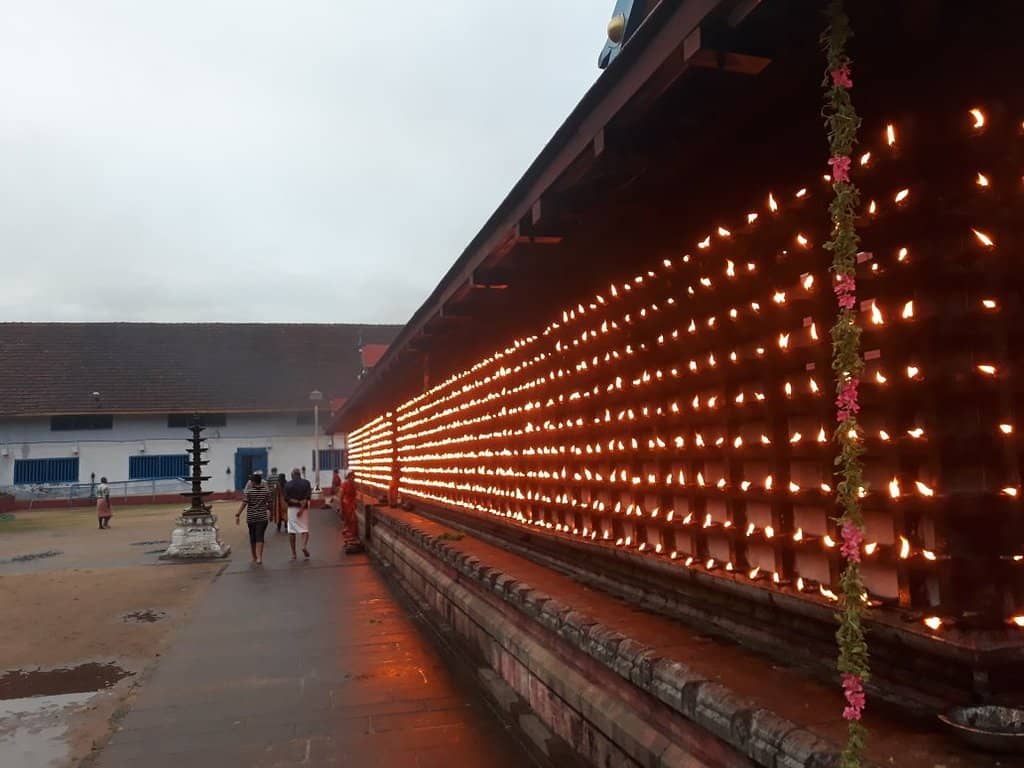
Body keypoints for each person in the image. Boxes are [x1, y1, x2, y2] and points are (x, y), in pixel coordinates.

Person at [235, 471, 271, 565]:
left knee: (253, 538)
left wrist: (238, 514)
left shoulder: (249, 492)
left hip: (251, 518)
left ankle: (254, 557)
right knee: (260, 537)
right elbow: (269, 502)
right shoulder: (265, 491)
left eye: (251, 481)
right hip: (262, 517)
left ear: (254, 482)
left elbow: (244, 503)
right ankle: (259, 557)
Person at [284, 467, 312, 560]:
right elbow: (307, 498)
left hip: (292, 510)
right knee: (304, 529)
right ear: (300, 474)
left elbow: (286, 498)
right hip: (303, 510)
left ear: (292, 475)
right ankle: (303, 546)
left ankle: (293, 554)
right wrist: (301, 508)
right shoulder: (306, 483)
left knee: (292, 531)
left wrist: (296, 502)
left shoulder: (288, 484)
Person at [340, 470, 358, 540]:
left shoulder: (353, 485)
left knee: (353, 519)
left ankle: (351, 532)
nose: (352, 479)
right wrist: (341, 507)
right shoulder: (344, 484)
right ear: (349, 477)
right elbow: (341, 496)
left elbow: (354, 495)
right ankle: (349, 532)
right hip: (346, 503)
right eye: (351, 477)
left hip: (351, 503)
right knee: (349, 518)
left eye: (353, 477)